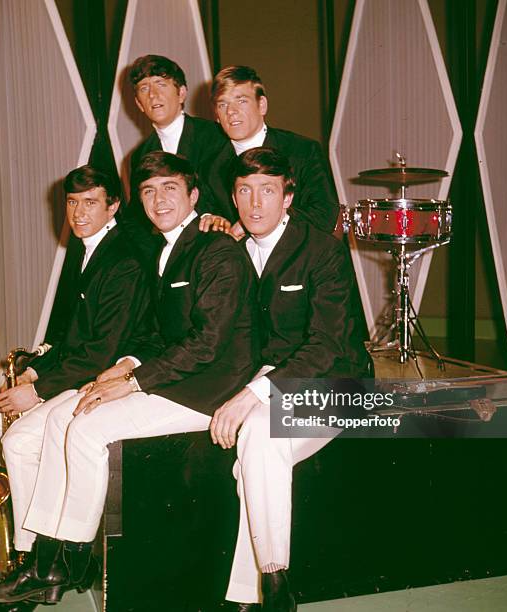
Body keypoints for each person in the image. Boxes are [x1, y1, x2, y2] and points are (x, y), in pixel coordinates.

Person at [0, 152, 260, 606]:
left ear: (194, 196)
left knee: (86, 430)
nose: (158, 199)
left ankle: (60, 563)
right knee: (60, 418)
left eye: (169, 189)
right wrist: (123, 363)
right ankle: (46, 559)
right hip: (169, 376)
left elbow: (207, 344)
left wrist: (134, 381)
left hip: (206, 389)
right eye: (148, 191)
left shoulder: (217, 251)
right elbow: (152, 334)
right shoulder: (166, 250)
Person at [0, 166, 152, 608]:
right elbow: (71, 335)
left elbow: (105, 349)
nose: (78, 212)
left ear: (113, 206)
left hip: (102, 376)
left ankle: (30, 558)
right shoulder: (87, 250)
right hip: (74, 368)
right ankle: (1, 543)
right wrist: (32, 372)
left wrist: (40, 390)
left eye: (90, 202)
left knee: (20, 439)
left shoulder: (122, 258)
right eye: (72, 202)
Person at [209, 148, 371, 611]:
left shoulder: (322, 250)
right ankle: (265, 591)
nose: (254, 203)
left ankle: (266, 588)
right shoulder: (234, 253)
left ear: (288, 197)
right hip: (276, 377)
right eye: (244, 191)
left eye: (267, 191)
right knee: (255, 457)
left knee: (258, 435)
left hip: (341, 383)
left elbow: (326, 346)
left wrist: (251, 395)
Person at [204, 65, 339, 239]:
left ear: (262, 105)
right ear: (216, 115)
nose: (231, 112)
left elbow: (324, 214)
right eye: (223, 104)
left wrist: (255, 224)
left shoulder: (302, 151)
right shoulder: (210, 166)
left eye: (241, 101)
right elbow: (207, 214)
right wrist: (213, 221)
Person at [121, 55, 228, 259]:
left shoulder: (215, 136)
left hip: (217, 247)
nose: (153, 95)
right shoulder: (140, 155)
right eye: (144, 88)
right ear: (139, 104)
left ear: (181, 93)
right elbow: (136, 218)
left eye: (161, 84)